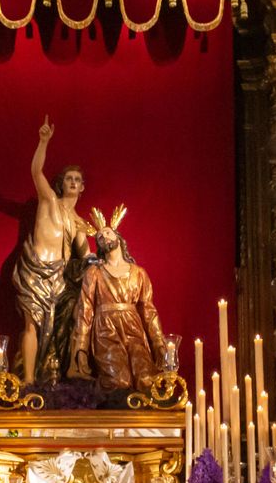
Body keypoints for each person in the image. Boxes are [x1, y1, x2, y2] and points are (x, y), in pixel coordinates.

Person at [14, 115, 93, 385]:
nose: (72, 182)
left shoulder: (79, 223)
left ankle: (61, 371)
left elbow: (85, 256)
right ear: (62, 183)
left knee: (63, 325)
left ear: (82, 188)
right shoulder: (49, 201)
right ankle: (27, 380)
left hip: (60, 278)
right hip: (35, 270)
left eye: (77, 180)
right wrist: (43, 141)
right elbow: (36, 171)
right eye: (68, 178)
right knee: (31, 324)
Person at [67, 212, 165, 394]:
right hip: (106, 330)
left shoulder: (138, 273)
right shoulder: (94, 273)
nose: (104, 236)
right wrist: (81, 347)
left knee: (146, 379)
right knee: (118, 381)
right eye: (100, 236)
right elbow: (85, 310)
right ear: (99, 245)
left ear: (118, 238)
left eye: (108, 233)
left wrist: (159, 342)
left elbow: (148, 310)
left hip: (134, 329)